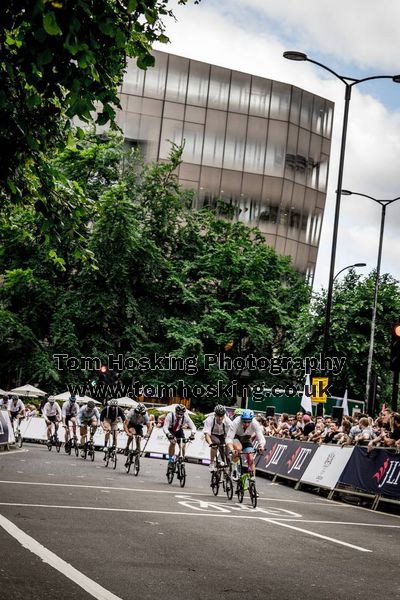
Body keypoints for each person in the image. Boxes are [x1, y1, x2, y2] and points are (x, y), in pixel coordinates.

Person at [226, 409, 265, 480]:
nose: (246, 424)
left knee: (251, 458)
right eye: (244, 422)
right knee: (238, 449)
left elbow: (261, 437)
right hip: (236, 436)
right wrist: (232, 449)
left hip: (246, 439)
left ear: (251, 420)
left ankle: (252, 480)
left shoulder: (255, 423)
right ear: (241, 419)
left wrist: (261, 446)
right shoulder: (236, 422)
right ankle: (234, 468)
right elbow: (228, 438)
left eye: (248, 422)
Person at [203, 404, 232, 472]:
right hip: (212, 435)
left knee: (226, 452)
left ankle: (227, 466)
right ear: (215, 415)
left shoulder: (227, 420)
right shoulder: (209, 419)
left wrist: (229, 443)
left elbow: (231, 433)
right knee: (216, 443)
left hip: (223, 435)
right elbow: (207, 434)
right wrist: (211, 443)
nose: (220, 418)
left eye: (222, 416)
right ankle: (212, 463)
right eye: (218, 416)